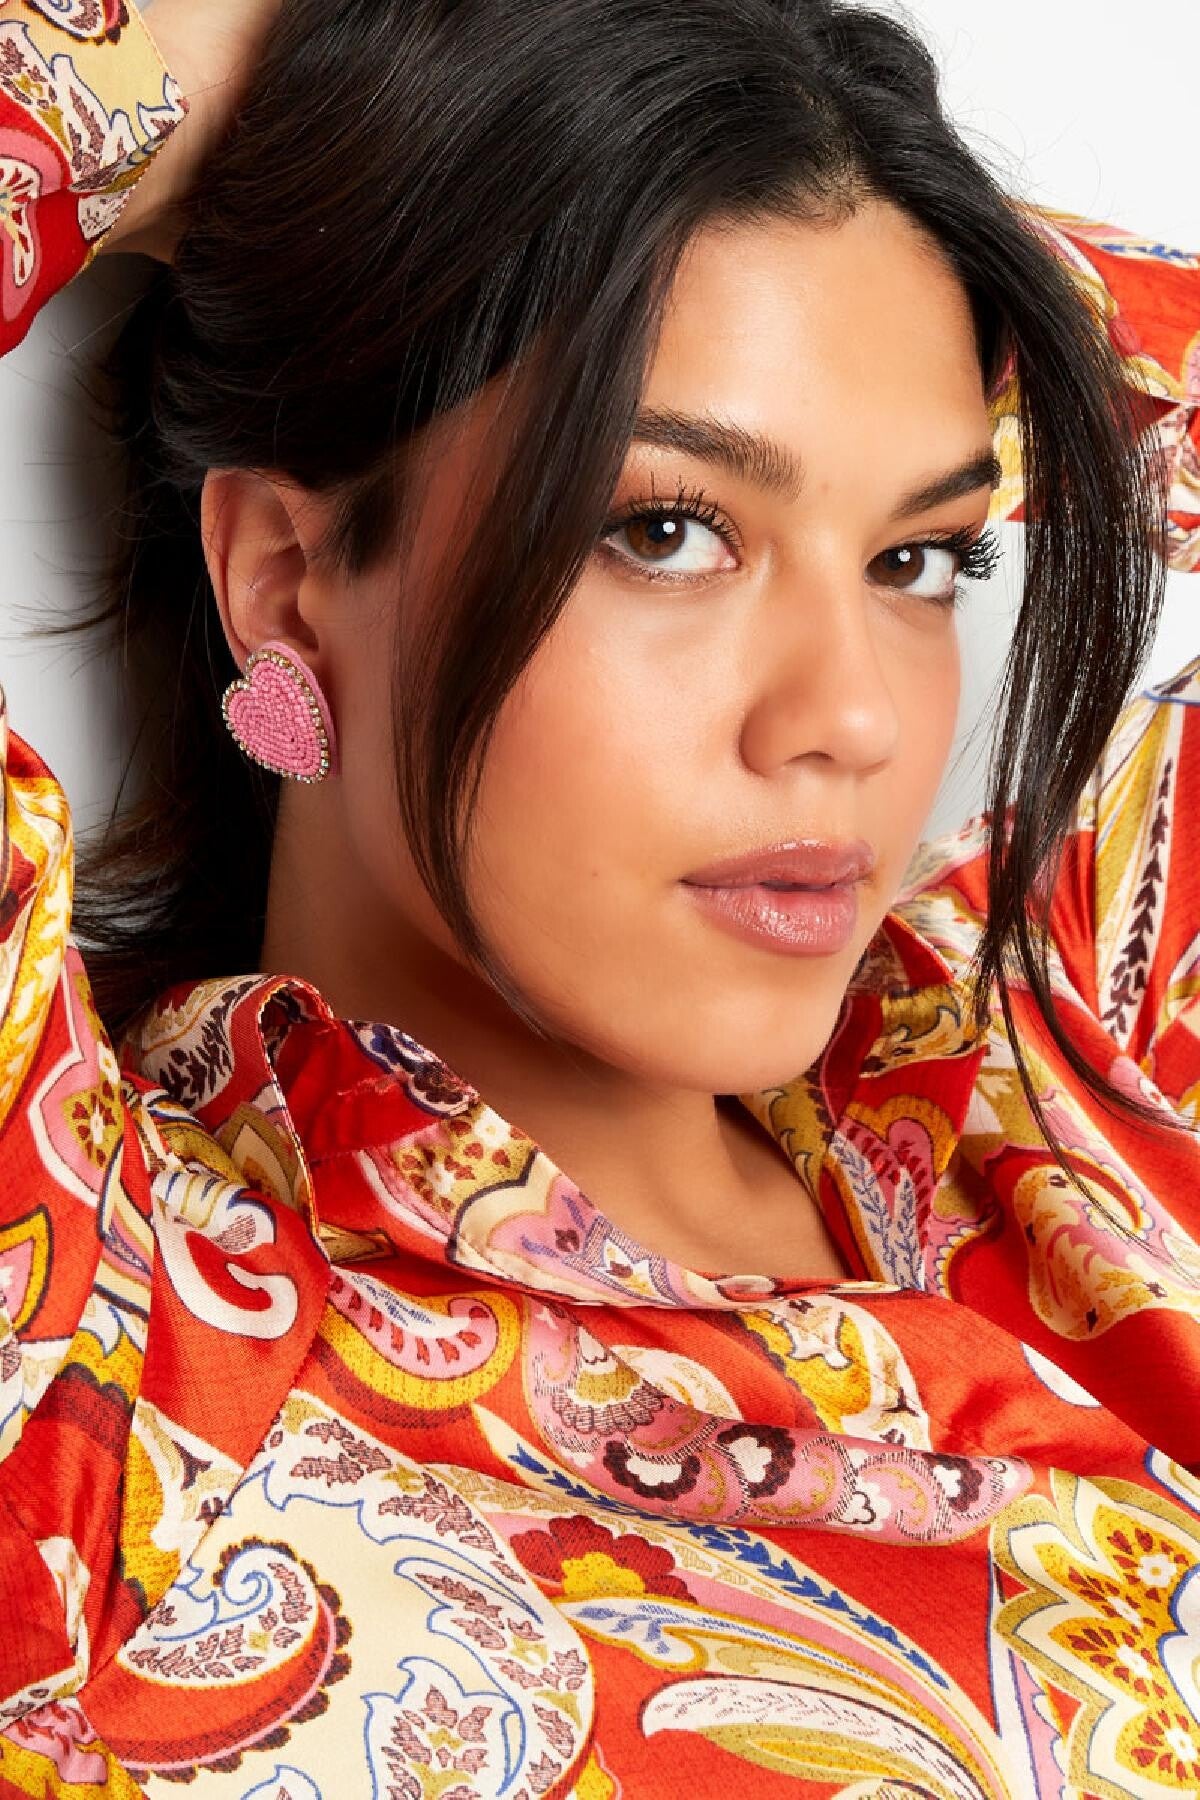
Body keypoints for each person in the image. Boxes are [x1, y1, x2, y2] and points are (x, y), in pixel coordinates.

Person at [0, 0, 1198, 1792]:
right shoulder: (110, 1361)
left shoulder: (1075, 1053)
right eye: (666, 531)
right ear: (286, 578)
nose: (855, 720)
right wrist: (207, 78)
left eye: (920, 556)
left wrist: (806, 159)